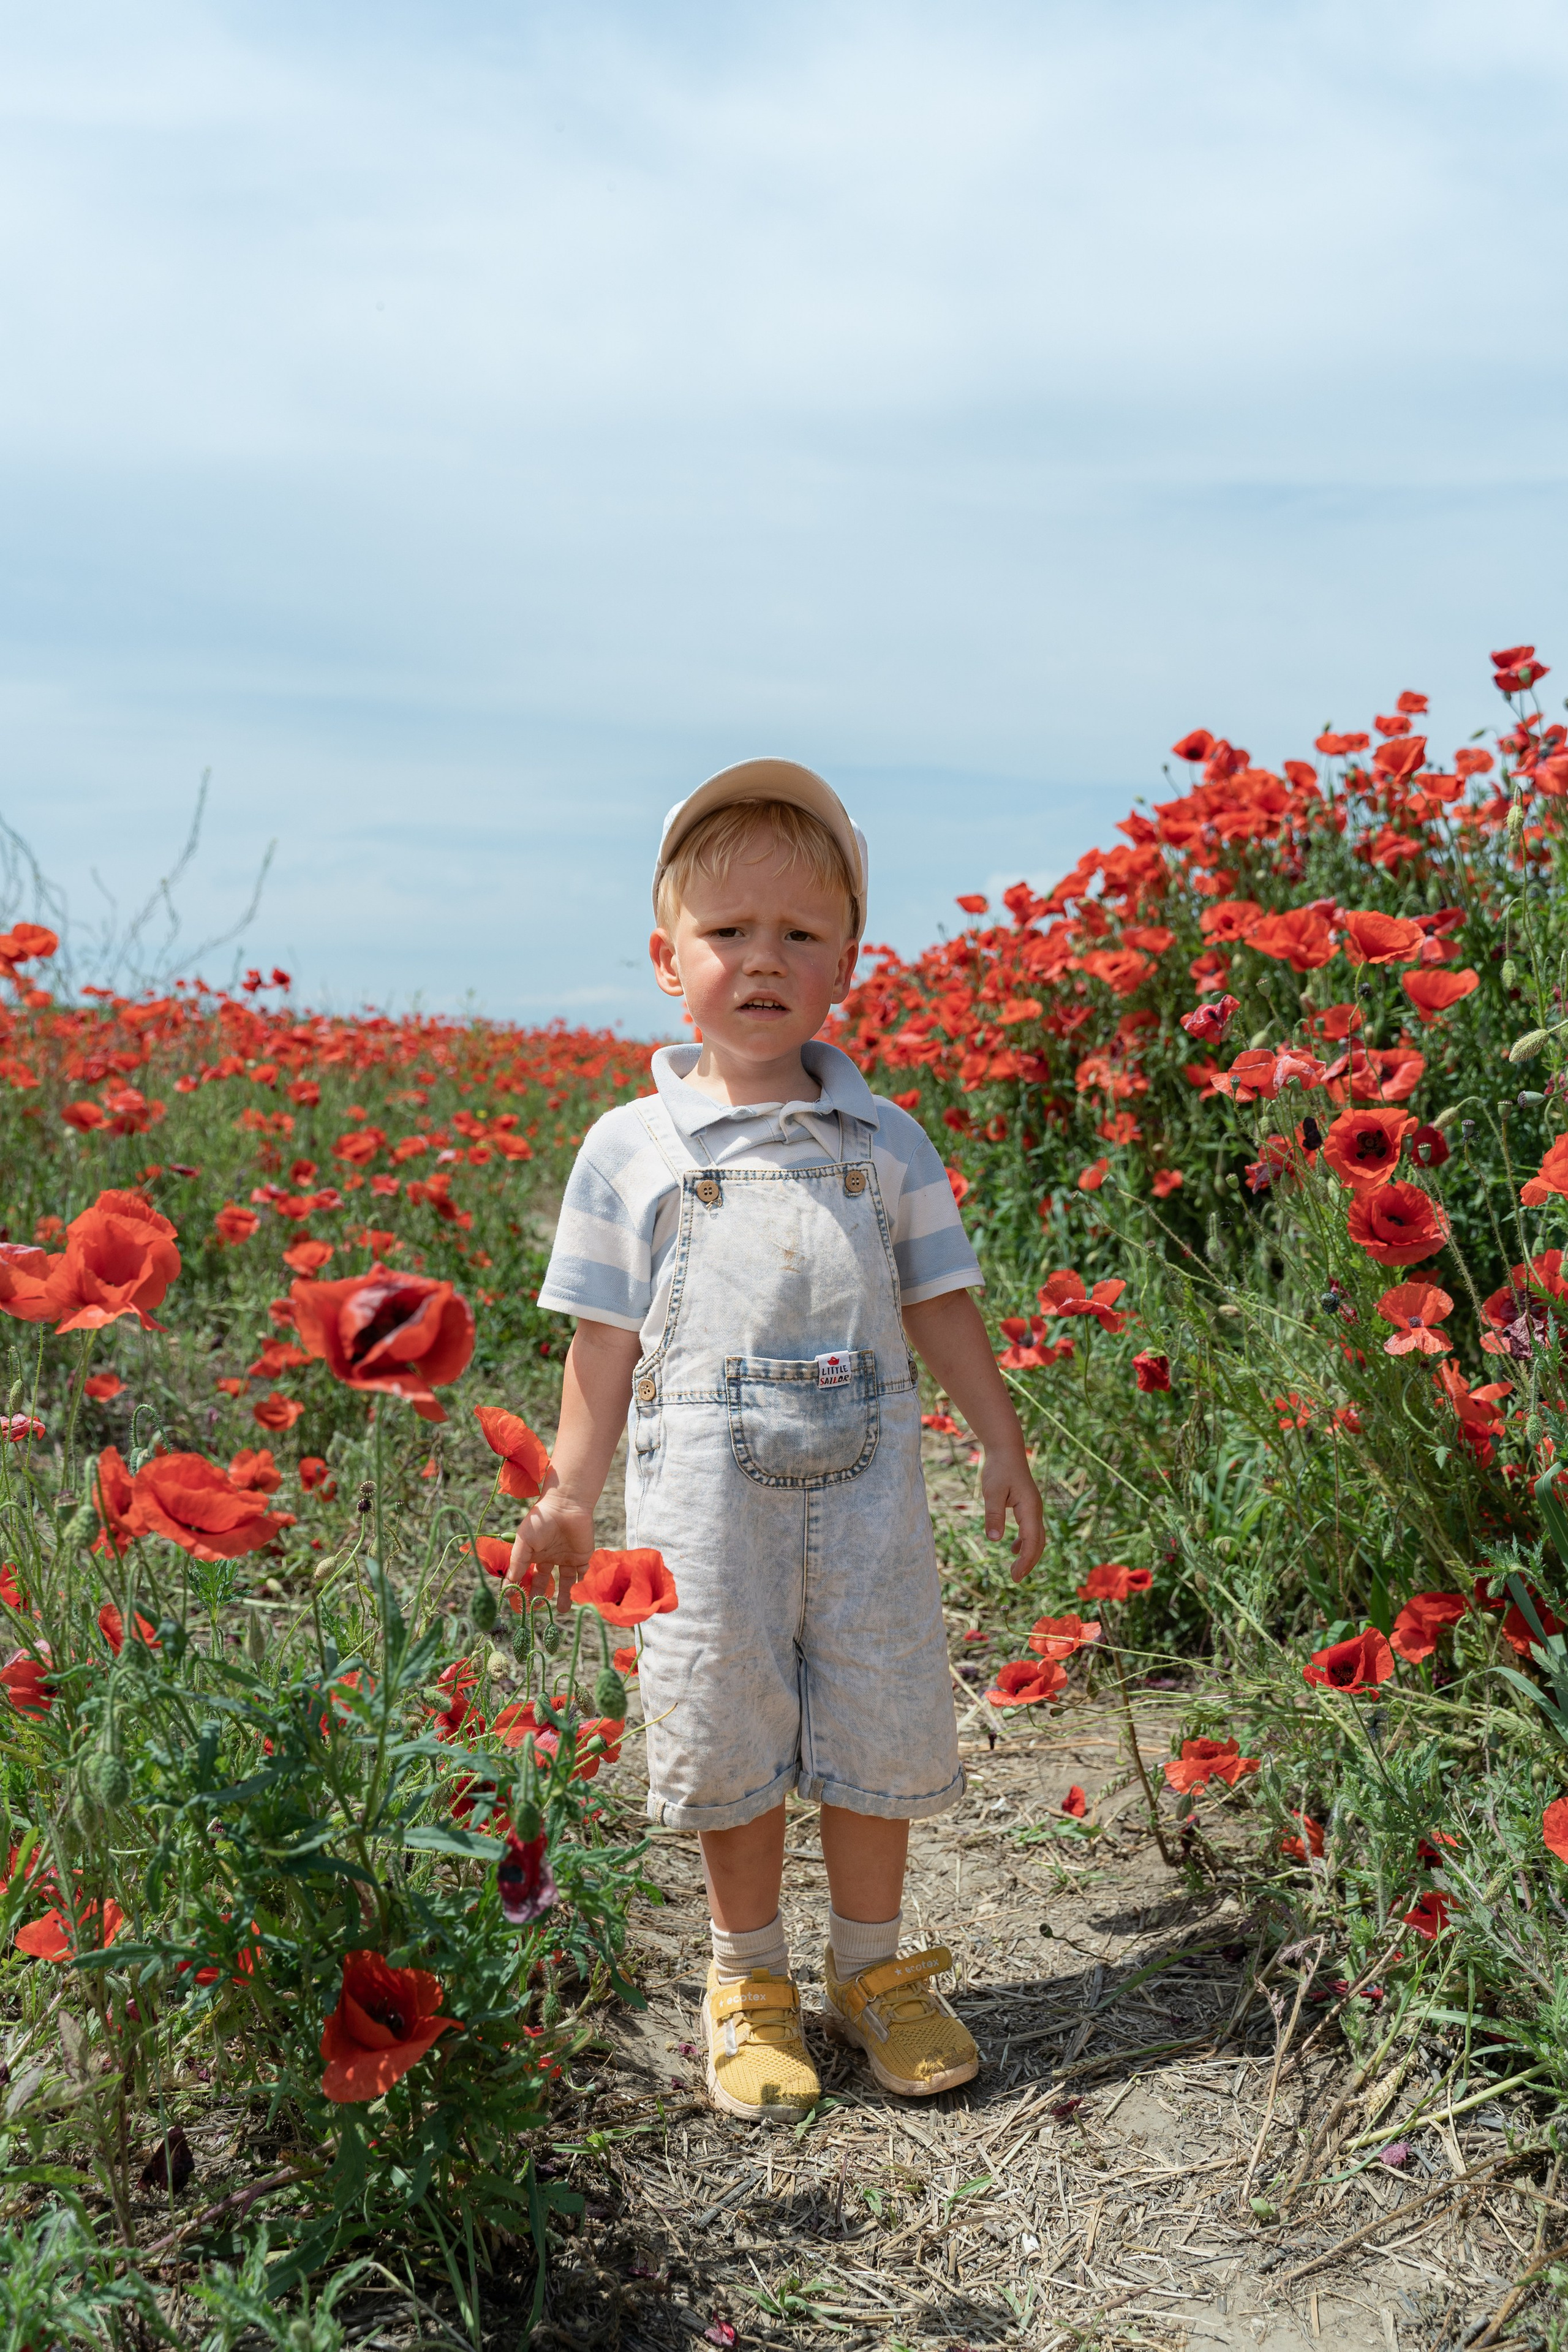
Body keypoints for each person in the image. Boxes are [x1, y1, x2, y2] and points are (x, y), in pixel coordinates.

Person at [514, 758, 1044, 2120]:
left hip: (869, 1504)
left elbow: (940, 1302)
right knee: (726, 1719)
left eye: (801, 933)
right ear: (666, 962)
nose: (763, 959)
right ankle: (747, 1978)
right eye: (727, 931)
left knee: (878, 1713)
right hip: (704, 1508)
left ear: (846, 967)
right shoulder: (631, 1149)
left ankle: (872, 1972)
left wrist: (999, 1440)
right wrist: (569, 1495)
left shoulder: (885, 1141)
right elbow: (601, 1345)